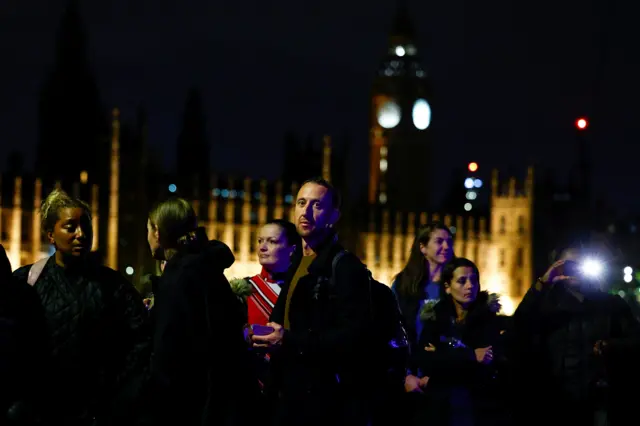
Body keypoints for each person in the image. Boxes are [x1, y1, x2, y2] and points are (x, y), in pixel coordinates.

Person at [12, 189, 151, 426]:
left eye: (86, 226)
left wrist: (114, 392)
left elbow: (141, 339)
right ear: (50, 235)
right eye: (70, 226)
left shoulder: (113, 285)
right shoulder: (26, 282)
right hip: (40, 412)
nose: (81, 234)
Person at [251, 177, 375, 426]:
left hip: (321, 401)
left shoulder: (345, 267)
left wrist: (289, 340)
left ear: (334, 215)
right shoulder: (297, 260)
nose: (305, 211)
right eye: (301, 202)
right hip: (286, 393)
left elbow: (354, 338)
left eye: (317, 205)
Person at [145, 197, 259, 426]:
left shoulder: (178, 277)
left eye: (148, 229)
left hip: (190, 407)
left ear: (157, 232)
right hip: (219, 401)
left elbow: (171, 354)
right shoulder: (205, 268)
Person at [512, 242, 640, 426]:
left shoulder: (610, 304)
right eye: (568, 264)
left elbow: (635, 339)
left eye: (579, 263)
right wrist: (542, 283)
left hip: (599, 401)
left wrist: (610, 346)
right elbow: (519, 325)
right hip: (555, 401)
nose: (574, 269)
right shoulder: (547, 306)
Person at [412, 257, 507, 426]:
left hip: (474, 409)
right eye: (462, 281)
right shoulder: (435, 318)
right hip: (439, 409)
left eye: (474, 280)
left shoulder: (487, 320)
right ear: (447, 287)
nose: (470, 286)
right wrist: (470, 355)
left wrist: (441, 354)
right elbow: (425, 360)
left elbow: (484, 367)